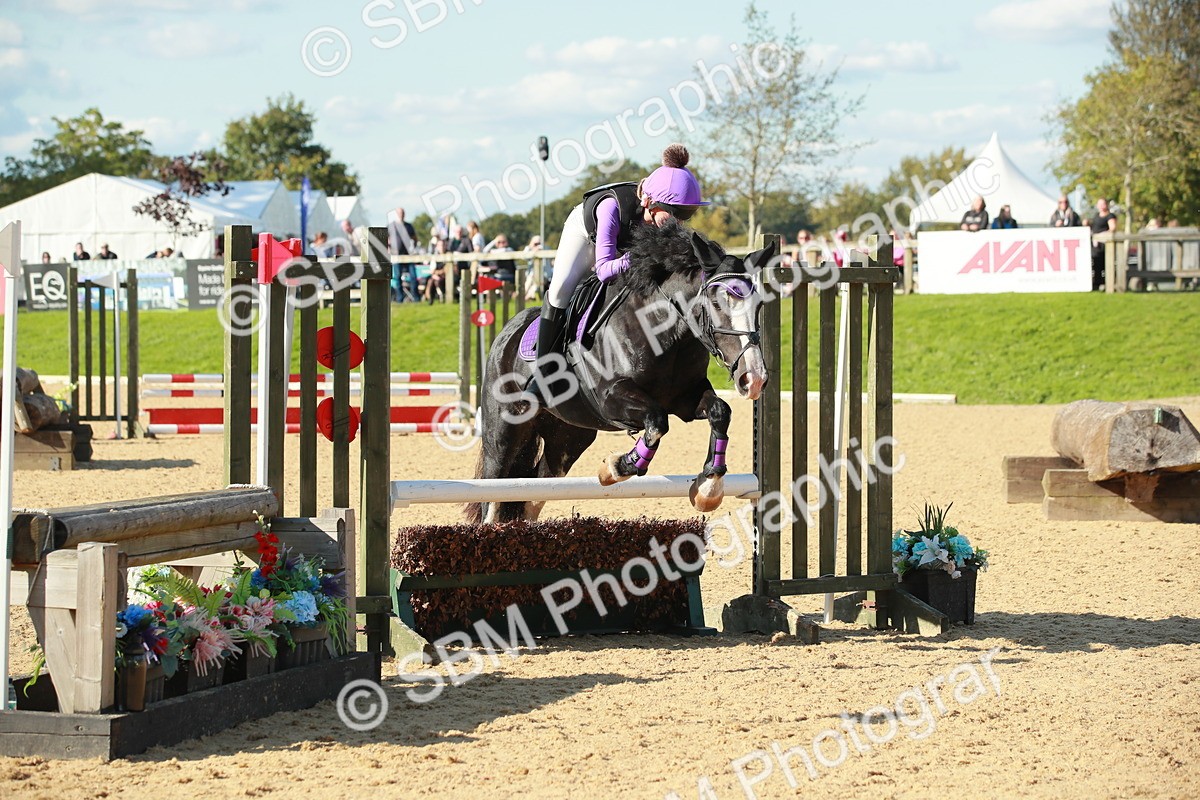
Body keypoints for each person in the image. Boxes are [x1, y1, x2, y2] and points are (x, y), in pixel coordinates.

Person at [530, 143, 709, 404]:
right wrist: (638, 257)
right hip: (586, 236)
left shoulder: (659, 218)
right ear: (650, 202)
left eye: (686, 214)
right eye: (675, 213)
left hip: (625, 244)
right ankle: (543, 373)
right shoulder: (611, 207)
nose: (678, 222)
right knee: (560, 290)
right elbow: (604, 270)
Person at [388, 207, 418, 302]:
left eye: (403, 213)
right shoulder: (391, 226)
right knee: (397, 277)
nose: (401, 215)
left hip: (408, 256)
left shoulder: (408, 226)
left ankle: (415, 298)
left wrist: (413, 248)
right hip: (396, 256)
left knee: (413, 277)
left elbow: (415, 238)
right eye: (400, 213)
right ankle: (399, 299)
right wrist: (389, 249)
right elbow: (386, 239)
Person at [1088, 198, 1118, 290]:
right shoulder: (1096, 216)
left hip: (1105, 245)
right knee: (1096, 265)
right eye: (1099, 204)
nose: (1101, 206)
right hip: (1095, 245)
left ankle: (1109, 284)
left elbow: (1113, 228)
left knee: (1106, 264)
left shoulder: (1110, 216)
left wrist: (1101, 236)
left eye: (1103, 204)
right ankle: (1097, 284)